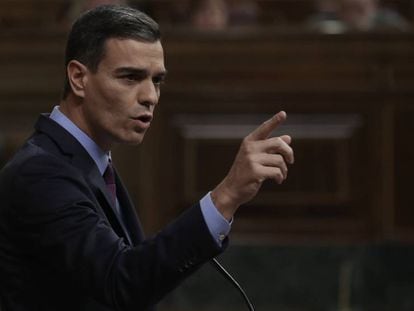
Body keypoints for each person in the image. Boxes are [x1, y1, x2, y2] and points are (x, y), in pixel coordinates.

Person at [0, 5, 293, 311]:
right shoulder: (41, 173)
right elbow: (120, 282)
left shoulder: (90, 164)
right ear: (78, 78)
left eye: (156, 80)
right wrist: (225, 196)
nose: (150, 96)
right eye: (130, 77)